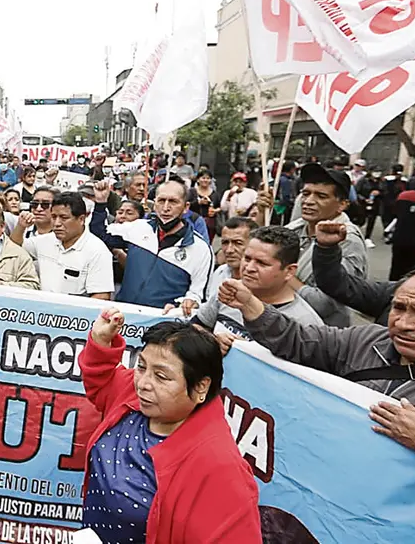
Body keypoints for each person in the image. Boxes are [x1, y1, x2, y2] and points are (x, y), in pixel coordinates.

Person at [219, 268, 415, 531]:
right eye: (398, 308)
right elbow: (301, 343)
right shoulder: (368, 340)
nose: (403, 324)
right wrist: (251, 307)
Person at [82, 310, 261, 542]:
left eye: (161, 377)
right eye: (141, 367)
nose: (144, 384)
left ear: (200, 388)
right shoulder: (135, 395)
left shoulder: (222, 470)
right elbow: (102, 383)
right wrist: (101, 341)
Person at [91, 180, 212, 310]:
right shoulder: (138, 227)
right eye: (161, 201)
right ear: (154, 204)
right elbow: (100, 234)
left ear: (186, 207)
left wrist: (188, 302)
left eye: (173, 202)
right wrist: (100, 203)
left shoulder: (201, 248)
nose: (166, 208)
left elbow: (198, 294)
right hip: (123, 316)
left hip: (162, 324)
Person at [193, 226, 322, 349]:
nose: (249, 268)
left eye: (262, 263)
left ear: (289, 271)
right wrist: (211, 342)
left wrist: (253, 352)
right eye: (247, 258)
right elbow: (194, 328)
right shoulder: (229, 293)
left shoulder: (306, 324)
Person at [286, 163, 367, 327]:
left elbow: (325, 304)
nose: (309, 201)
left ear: (342, 205)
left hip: (320, 335)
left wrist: (282, 274)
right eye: (306, 193)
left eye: (321, 196)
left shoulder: (347, 239)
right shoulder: (295, 228)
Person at [11, 192, 113, 299]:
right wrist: (21, 226)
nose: (57, 223)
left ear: (81, 219)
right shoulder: (45, 241)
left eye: (64, 218)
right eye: (54, 217)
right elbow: (14, 248)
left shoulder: (97, 251)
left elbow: (101, 295)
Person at [208, 217, 258, 300]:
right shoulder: (219, 273)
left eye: (238, 243)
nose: (229, 250)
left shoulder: (262, 281)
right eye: (225, 243)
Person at [188, 171, 220, 242]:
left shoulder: (215, 194)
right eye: (203, 178)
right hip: (193, 221)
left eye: (208, 178)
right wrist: (198, 202)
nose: (205, 180)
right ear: (198, 180)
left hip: (209, 223)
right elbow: (186, 204)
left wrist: (215, 211)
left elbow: (219, 207)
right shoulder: (192, 191)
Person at [273, 161, 297, 226]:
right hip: (283, 208)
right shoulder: (285, 180)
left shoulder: (279, 178)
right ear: (292, 169)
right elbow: (285, 195)